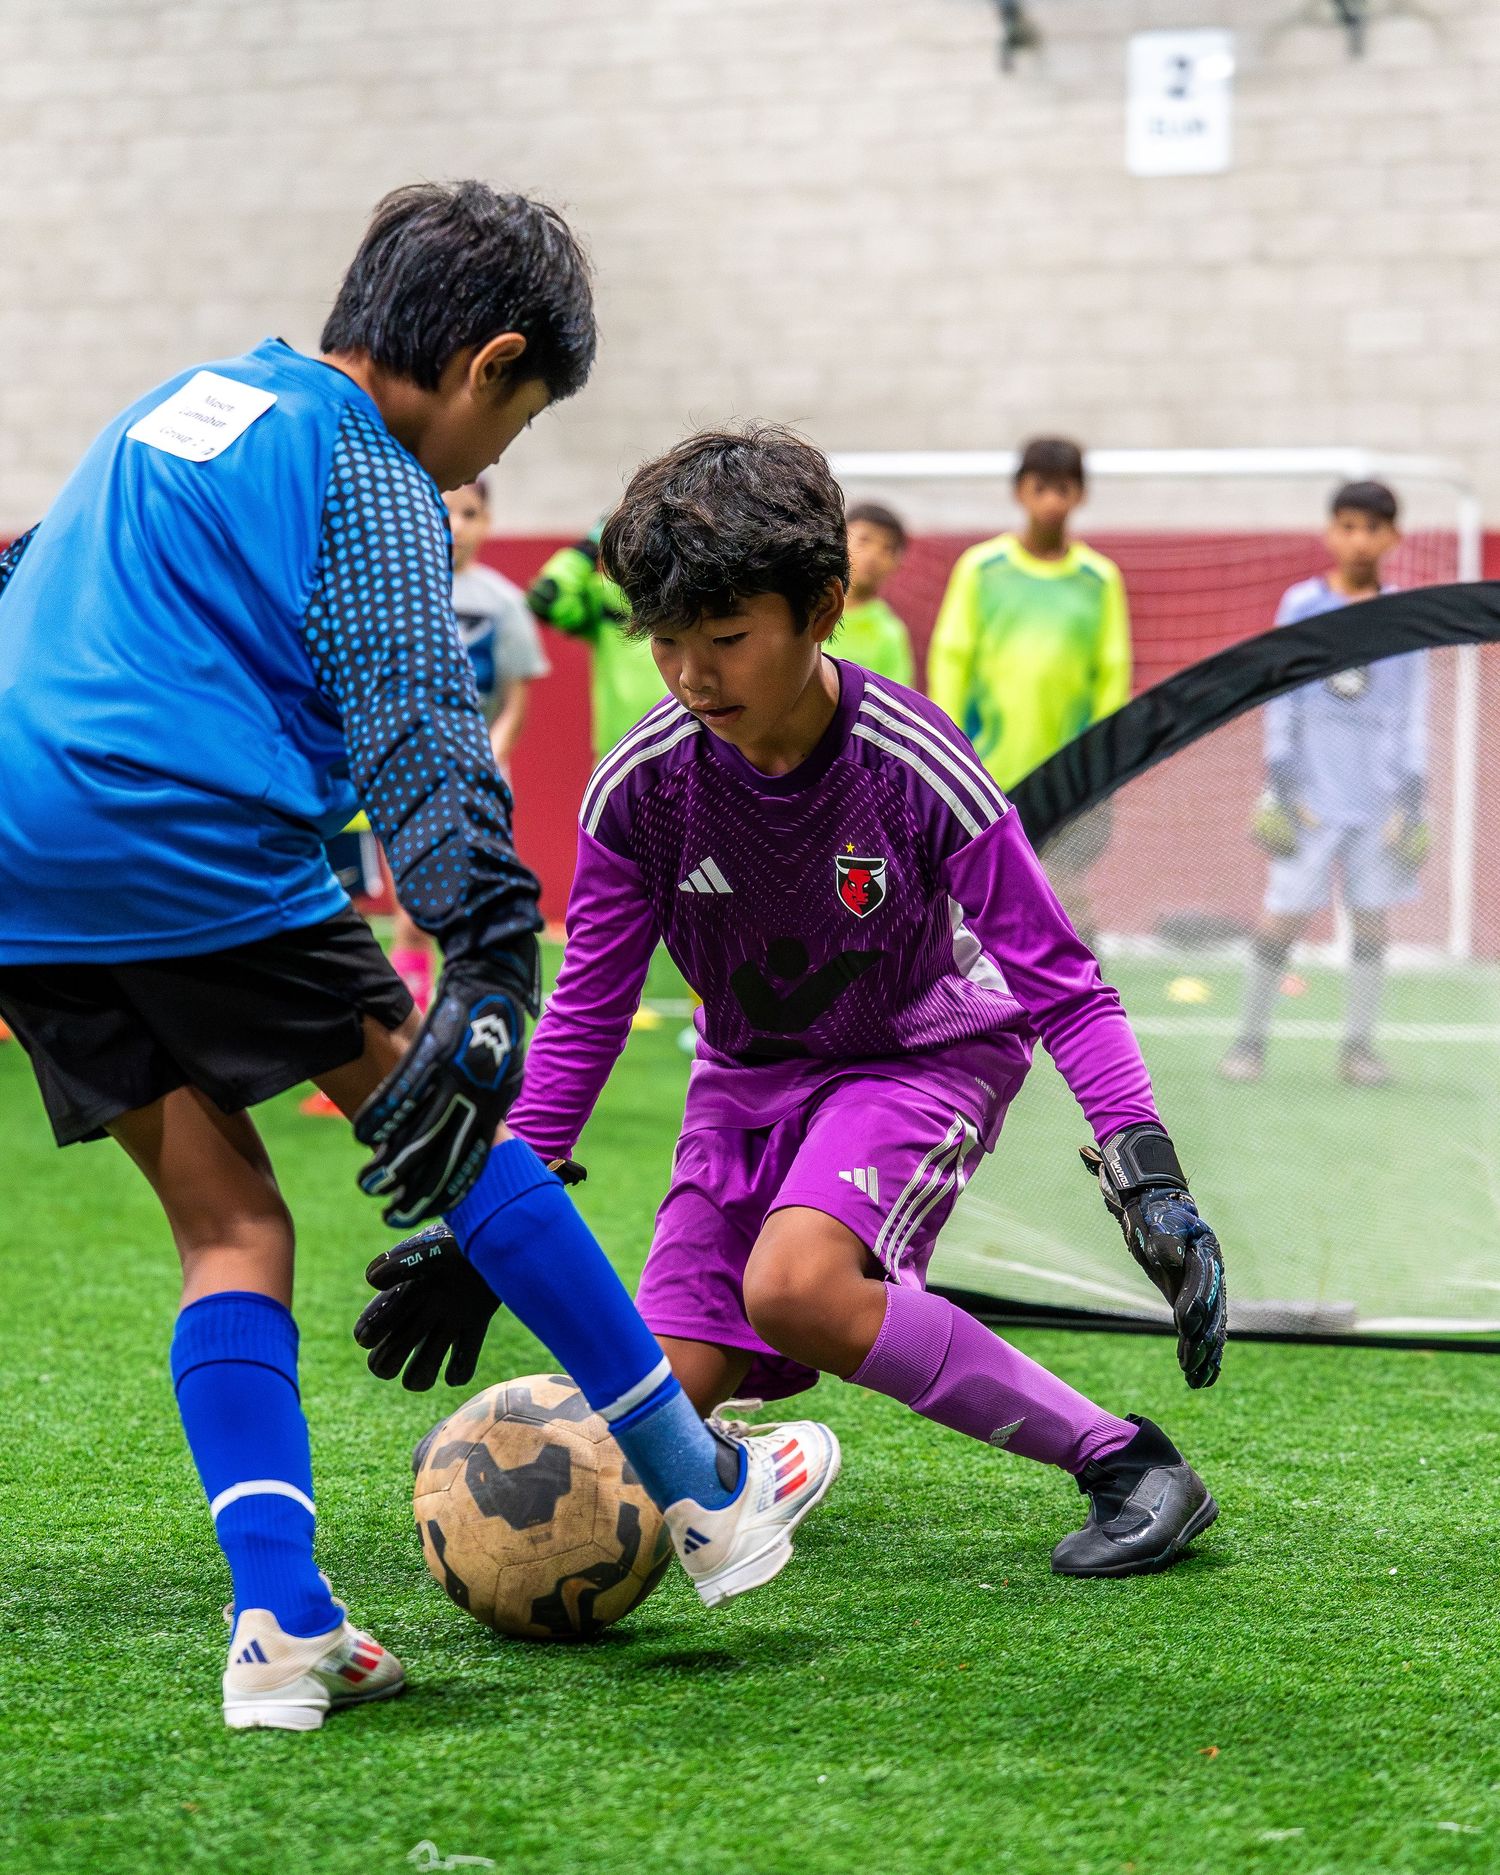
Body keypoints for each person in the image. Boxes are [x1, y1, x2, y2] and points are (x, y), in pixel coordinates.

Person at [0, 186, 839, 1733]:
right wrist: (491, 952)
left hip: (16, 866)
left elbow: (21, 583)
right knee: (455, 1130)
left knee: (228, 1220)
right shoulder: (365, 463)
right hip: (178, 821)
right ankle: (704, 1488)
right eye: (513, 424)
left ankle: (284, 1622)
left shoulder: (170, 408)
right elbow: (418, 711)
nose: (485, 463)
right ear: (488, 362)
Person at [357, 427, 1227, 1580]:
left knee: (796, 1288)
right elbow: (585, 1015)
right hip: (743, 1083)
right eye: (666, 641)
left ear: (821, 610)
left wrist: (1149, 1175)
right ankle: (763, 1456)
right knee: (647, 1421)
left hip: (919, 1059)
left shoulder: (913, 761)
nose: (691, 675)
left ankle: (1128, 1461)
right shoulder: (639, 791)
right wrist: (493, 1217)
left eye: (724, 639)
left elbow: (1062, 982)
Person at [1220, 481, 1426, 1089]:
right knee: (1281, 919)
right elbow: (1279, 695)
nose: (1359, 540)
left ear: (1394, 537)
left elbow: (1413, 707)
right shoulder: (1303, 605)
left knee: (1372, 922)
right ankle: (1249, 1043)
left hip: (1378, 801)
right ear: (1331, 532)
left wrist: (1411, 798)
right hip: (1310, 797)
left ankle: (1358, 1051)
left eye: (1372, 528)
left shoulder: (1403, 614)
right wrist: (1282, 785)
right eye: (1348, 526)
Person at [926, 438, 1132, 943]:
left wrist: (1100, 759)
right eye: (1041, 488)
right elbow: (952, 658)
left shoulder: (1099, 579)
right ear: (1020, 491)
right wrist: (953, 749)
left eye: (1063, 489)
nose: (1052, 502)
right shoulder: (981, 568)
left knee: (1064, 900)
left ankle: (1082, 992)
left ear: (1080, 495)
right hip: (988, 771)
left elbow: (1113, 672)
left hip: (1071, 777)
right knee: (980, 905)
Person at [389, 477, 551, 1011]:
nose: (454, 526)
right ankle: (411, 1035)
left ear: (487, 523)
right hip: (406, 772)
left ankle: (469, 1026)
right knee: (412, 911)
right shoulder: (395, 591)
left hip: (479, 777)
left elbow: (514, 703)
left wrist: (484, 763)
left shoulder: (504, 603)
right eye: (444, 511)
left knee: (473, 907)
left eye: (469, 514)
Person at [526, 519, 664, 757]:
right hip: (621, 754)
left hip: (691, 745)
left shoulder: (692, 594)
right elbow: (545, 597)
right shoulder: (606, 597)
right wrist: (588, 547)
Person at [837, 501, 915, 683]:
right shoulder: (805, 611)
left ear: (897, 562)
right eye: (864, 540)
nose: (873, 555)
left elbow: (894, 698)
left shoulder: (890, 634)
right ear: (839, 541)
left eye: (887, 548)